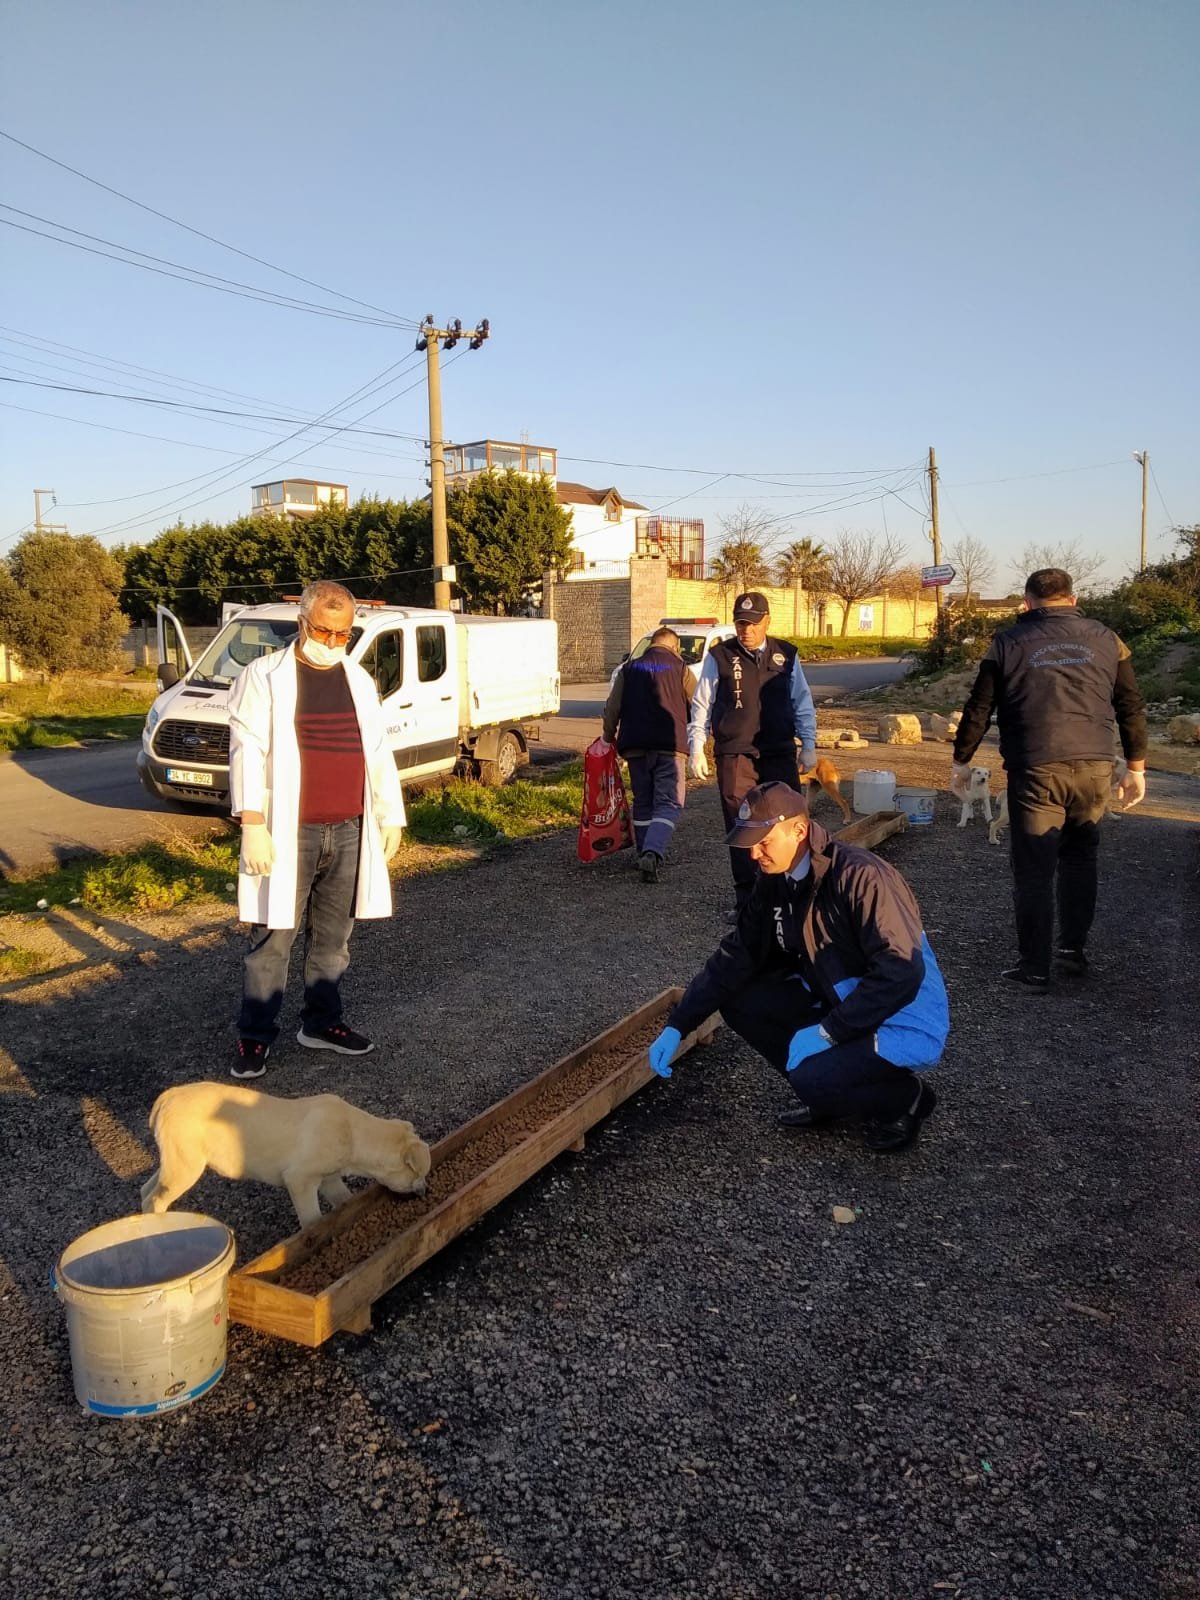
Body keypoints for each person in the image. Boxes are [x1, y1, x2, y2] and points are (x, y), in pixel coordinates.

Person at [645, 782, 949, 1153]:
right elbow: (737, 953)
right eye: (749, 843)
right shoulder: (775, 879)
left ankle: (906, 1098)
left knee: (812, 1079)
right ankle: (831, 1089)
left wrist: (828, 1033)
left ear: (799, 830)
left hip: (901, 1016)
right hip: (842, 1001)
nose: (754, 854)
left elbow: (902, 972)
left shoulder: (862, 877)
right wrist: (679, 1024)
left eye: (763, 842)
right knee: (741, 999)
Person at [227, 579, 407, 1078]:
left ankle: (322, 1023)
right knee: (275, 938)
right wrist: (253, 823)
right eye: (323, 632)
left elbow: (376, 750)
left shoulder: (358, 678)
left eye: (342, 634)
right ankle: (255, 1036)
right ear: (302, 622)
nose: (331, 643)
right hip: (290, 831)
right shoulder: (264, 676)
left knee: (333, 938)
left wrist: (389, 814)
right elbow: (247, 747)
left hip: (349, 827)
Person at [950, 567, 1147, 990]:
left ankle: (1035, 968)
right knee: (1080, 858)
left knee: (1034, 868)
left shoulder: (1006, 642)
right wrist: (1136, 766)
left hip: (1036, 767)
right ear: (1073, 600)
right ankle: (1072, 953)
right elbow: (1131, 704)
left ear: (1026, 604)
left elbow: (979, 706)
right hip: (1094, 766)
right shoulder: (1109, 639)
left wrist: (961, 761)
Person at [687, 591, 817, 911]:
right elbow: (702, 704)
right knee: (741, 825)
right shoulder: (720, 656)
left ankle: (790, 895)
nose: (746, 629)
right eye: (741, 623)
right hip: (735, 753)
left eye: (753, 623)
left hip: (778, 751)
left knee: (786, 822)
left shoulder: (785, 655)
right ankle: (749, 902)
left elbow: (801, 701)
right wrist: (696, 747)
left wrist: (809, 745)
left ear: (767, 622)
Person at [601, 627, 697, 882]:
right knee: (669, 802)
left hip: (635, 747)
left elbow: (613, 707)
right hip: (670, 746)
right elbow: (697, 704)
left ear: (651, 644)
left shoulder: (629, 669)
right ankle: (653, 853)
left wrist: (608, 737)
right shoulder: (681, 669)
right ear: (675, 647)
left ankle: (643, 851)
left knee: (643, 801)